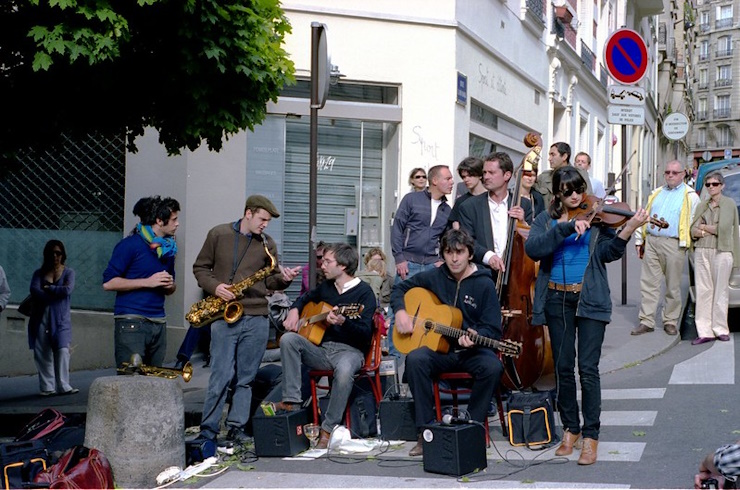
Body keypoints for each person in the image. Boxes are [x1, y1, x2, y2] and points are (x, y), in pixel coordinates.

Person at [525, 166, 648, 465]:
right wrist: (566, 227)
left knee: (588, 369)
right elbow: (533, 248)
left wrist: (628, 229)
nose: (576, 195)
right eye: (567, 191)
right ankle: (572, 429)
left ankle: (591, 435)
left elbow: (608, 253)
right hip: (556, 298)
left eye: (579, 188)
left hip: (590, 298)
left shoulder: (596, 217)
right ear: (557, 193)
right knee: (563, 368)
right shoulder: (546, 219)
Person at [193, 195, 299, 446]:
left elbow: (271, 281)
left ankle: (236, 428)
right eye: (262, 219)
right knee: (221, 374)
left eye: (268, 221)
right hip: (224, 314)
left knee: (246, 378)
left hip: (257, 315)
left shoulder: (267, 243)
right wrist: (216, 286)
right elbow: (200, 268)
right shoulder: (218, 234)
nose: (265, 225)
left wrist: (284, 278)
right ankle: (208, 430)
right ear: (248, 213)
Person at [390, 229, 503, 457]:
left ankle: (472, 426)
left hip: (471, 351)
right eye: (449, 252)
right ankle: (426, 431)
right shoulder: (435, 276)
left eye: (459, 252)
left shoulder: (484, 283)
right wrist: (401, 311)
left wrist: (475, 335)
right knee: (415, 359)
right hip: (440, 351)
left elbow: (493, 328)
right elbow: (399, 288)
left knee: (492, 366)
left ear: (470, 254)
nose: (454, 258)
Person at [275, 243, 376, 449]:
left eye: (328, 261)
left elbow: (365, 334)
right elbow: (305, 298)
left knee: (345, 369)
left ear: (343, 266)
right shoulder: (326, 288)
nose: (322, 265)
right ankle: (292, 400)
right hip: (322, 350)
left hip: (351, 351)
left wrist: (344, 322)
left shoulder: (364, 293)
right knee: (288, 340)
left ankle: (328, 429)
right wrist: (295, 309)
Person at [103, 196, 180, 368]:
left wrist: (170, 285)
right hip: (132, 320)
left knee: (153, 380)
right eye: (174, 219)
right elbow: (108, 283)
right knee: (130, 379)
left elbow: (170, 288)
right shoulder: (130, 245)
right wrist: (148, 282)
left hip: (158, 321)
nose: (177, 224)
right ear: (160, 221)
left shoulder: (167, 249)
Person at [631, 160, 700, 336]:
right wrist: (640, 240)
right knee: (648, 283)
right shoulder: (656, 192)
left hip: (674, 243)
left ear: (683, 174)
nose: (670, 175)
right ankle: (647, 320)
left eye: (674, 173)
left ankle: (670, 320)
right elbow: (644, 216)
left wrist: (689, 244)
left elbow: (694, 221)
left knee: (673, 285)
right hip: (653, 240)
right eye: (667, 172)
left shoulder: (690, 196)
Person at [457, 152, 532, 273]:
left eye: (491, 173)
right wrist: (488, 256)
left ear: (507, 175)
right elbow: (466, 240)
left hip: (516, 274)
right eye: (485, 172)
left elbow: (534, 241)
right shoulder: (469, 206)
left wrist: (523, 223)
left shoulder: (523, 204)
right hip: (482, 273)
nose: (486, 177)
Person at [689, 171, 740, 345]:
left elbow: (724, 229)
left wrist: (703, 227)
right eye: (708, 184)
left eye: (715, 184)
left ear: (722, 186)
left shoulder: (729, 204)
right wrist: (705, 229)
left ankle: (720, 328)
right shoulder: (702, 205)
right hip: (702, 250)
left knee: (721, 291)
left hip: (722, 250)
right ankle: (705, 331)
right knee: (703, 292)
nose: (711, 187)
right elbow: (693, 229)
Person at [28, 240, 78, 396]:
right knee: (42, 351)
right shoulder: (39, 273)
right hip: (40, 317)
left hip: (61, 318)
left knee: (63, 349)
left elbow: (67, 290)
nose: (55, 256)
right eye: (52, 253)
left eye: (58, 253)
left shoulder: (68, 273)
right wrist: (54, 294)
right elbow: (35, 290)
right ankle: (47, 387)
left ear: (63, 255)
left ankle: (64, 384)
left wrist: (49, 288)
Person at [534, 142, 592, 207]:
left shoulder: (580, 174)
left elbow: (588, 198)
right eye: (549, 155)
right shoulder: (544, 177)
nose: (549, 159)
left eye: (553, 155)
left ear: (564, 156)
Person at [448, 156, 485, 230]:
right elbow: (456, 228)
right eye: (464, 177)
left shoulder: (491, 198)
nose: (466, 179)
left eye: (470, 175)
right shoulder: (461, 202)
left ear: (480, 175)